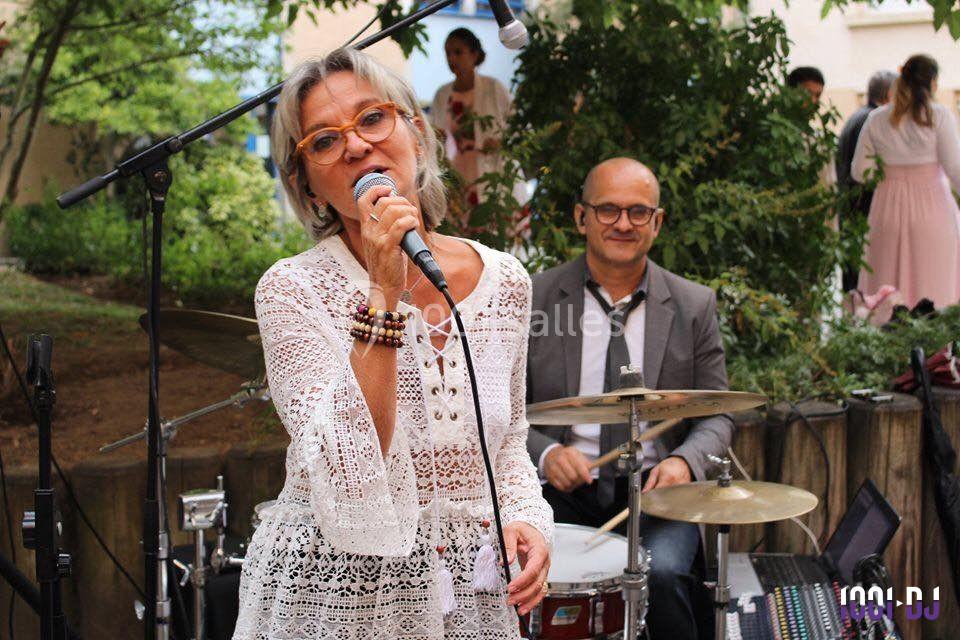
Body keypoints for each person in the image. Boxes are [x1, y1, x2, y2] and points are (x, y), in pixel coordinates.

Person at [234, 48, 552, 639]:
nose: (355, 146)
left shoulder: (506, 280)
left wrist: (528, 520)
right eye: (324, 141)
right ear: (309, 187)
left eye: (371, 118)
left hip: (472, 604)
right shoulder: (292, 290)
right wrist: (383, 291)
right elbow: (349, 479)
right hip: (335, 603)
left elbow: (507, 447)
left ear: (418, 133)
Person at [525, 157, 734, 640]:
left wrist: (685, 461)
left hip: (659, 497)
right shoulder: (534, 298)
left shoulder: (693, 304)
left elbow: (719, 412)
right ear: (581, 217)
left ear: (657, 223)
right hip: (560, 494)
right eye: (608, 210)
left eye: (639, 212)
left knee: (660, 577)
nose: (623, 223)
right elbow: (502, 410)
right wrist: (546, 452)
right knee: (526, 572)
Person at [852, 54, 960, 311]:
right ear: (933, 83)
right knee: (935, 284)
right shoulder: (940, 116)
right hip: (933, 210)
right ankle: (934, 348)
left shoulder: (877, 119)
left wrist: (888, 173)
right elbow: (954, 168)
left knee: (884, 280)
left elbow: (859, 171)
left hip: (887, 209)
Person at [430, 27, 527, 230]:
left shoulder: (494, 89)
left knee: (497, 229)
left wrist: (501, 142)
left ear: (474, 54)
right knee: (465, 234)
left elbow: (518, 128)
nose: (452, 58)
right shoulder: (442, 94)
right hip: (459, 175)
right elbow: (434, 136)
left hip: (493, 170)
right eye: (448, 53)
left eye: (458, 52)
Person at [836, 70, 898, 291]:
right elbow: (864, 172)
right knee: (860, 278)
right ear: (890, 94)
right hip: (861, 208)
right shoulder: (871, 121)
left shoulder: (858, 116)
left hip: (850, 206)